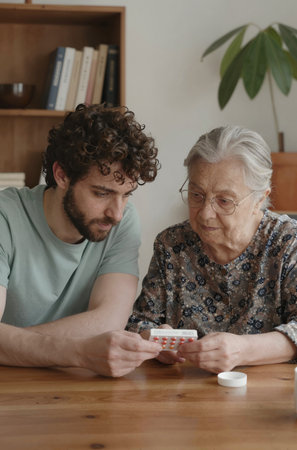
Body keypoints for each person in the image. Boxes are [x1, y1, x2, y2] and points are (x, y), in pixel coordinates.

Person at [0, 104, 162, 377]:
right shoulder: (5, 217)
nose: (117, 213)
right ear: (62, 175)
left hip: (78, 387)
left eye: (126, 195)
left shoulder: (122, 220)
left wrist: (12, 345)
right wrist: (78, 352)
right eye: (101, 193)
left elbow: (109, 320)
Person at [127, 125, 297, 374]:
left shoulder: (288, 242)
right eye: (197, 195)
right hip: (183, 394)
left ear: (260, 199)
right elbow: (138, 324)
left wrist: (243, 349)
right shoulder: (172, 245)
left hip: (269, 398)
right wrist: (154, 339)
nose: (206, 213)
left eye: (224, 201)